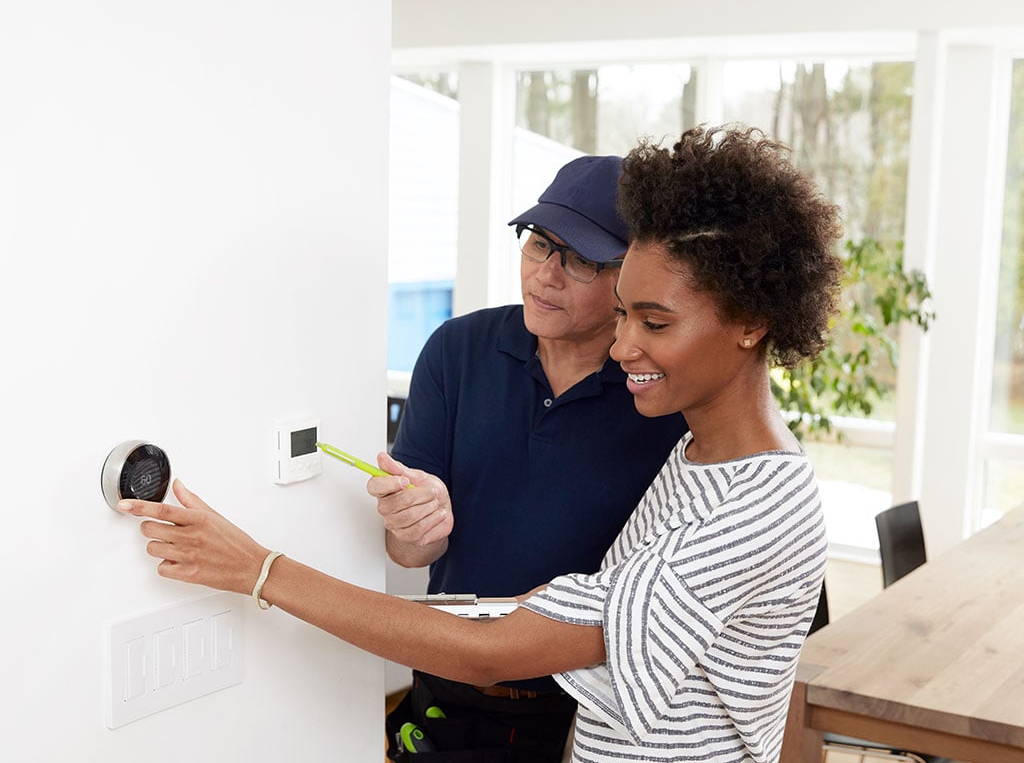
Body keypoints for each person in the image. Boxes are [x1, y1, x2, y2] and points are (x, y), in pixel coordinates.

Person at [119, 124, 844, 763]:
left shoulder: (752, 505)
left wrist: (258, 568)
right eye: (627, 316)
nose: (626, 346)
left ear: (751, 320)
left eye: (653, 322)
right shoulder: (700, 461)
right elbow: (570, 607)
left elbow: (497, 649)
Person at [370, 153, 687, 759]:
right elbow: (411, 552)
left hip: (588, 709)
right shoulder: (457, 350)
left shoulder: (659, 393)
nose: (547, 274)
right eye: (539, 244)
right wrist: (418, 526)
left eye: (582, 260)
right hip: (447, 681)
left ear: (632, 276)